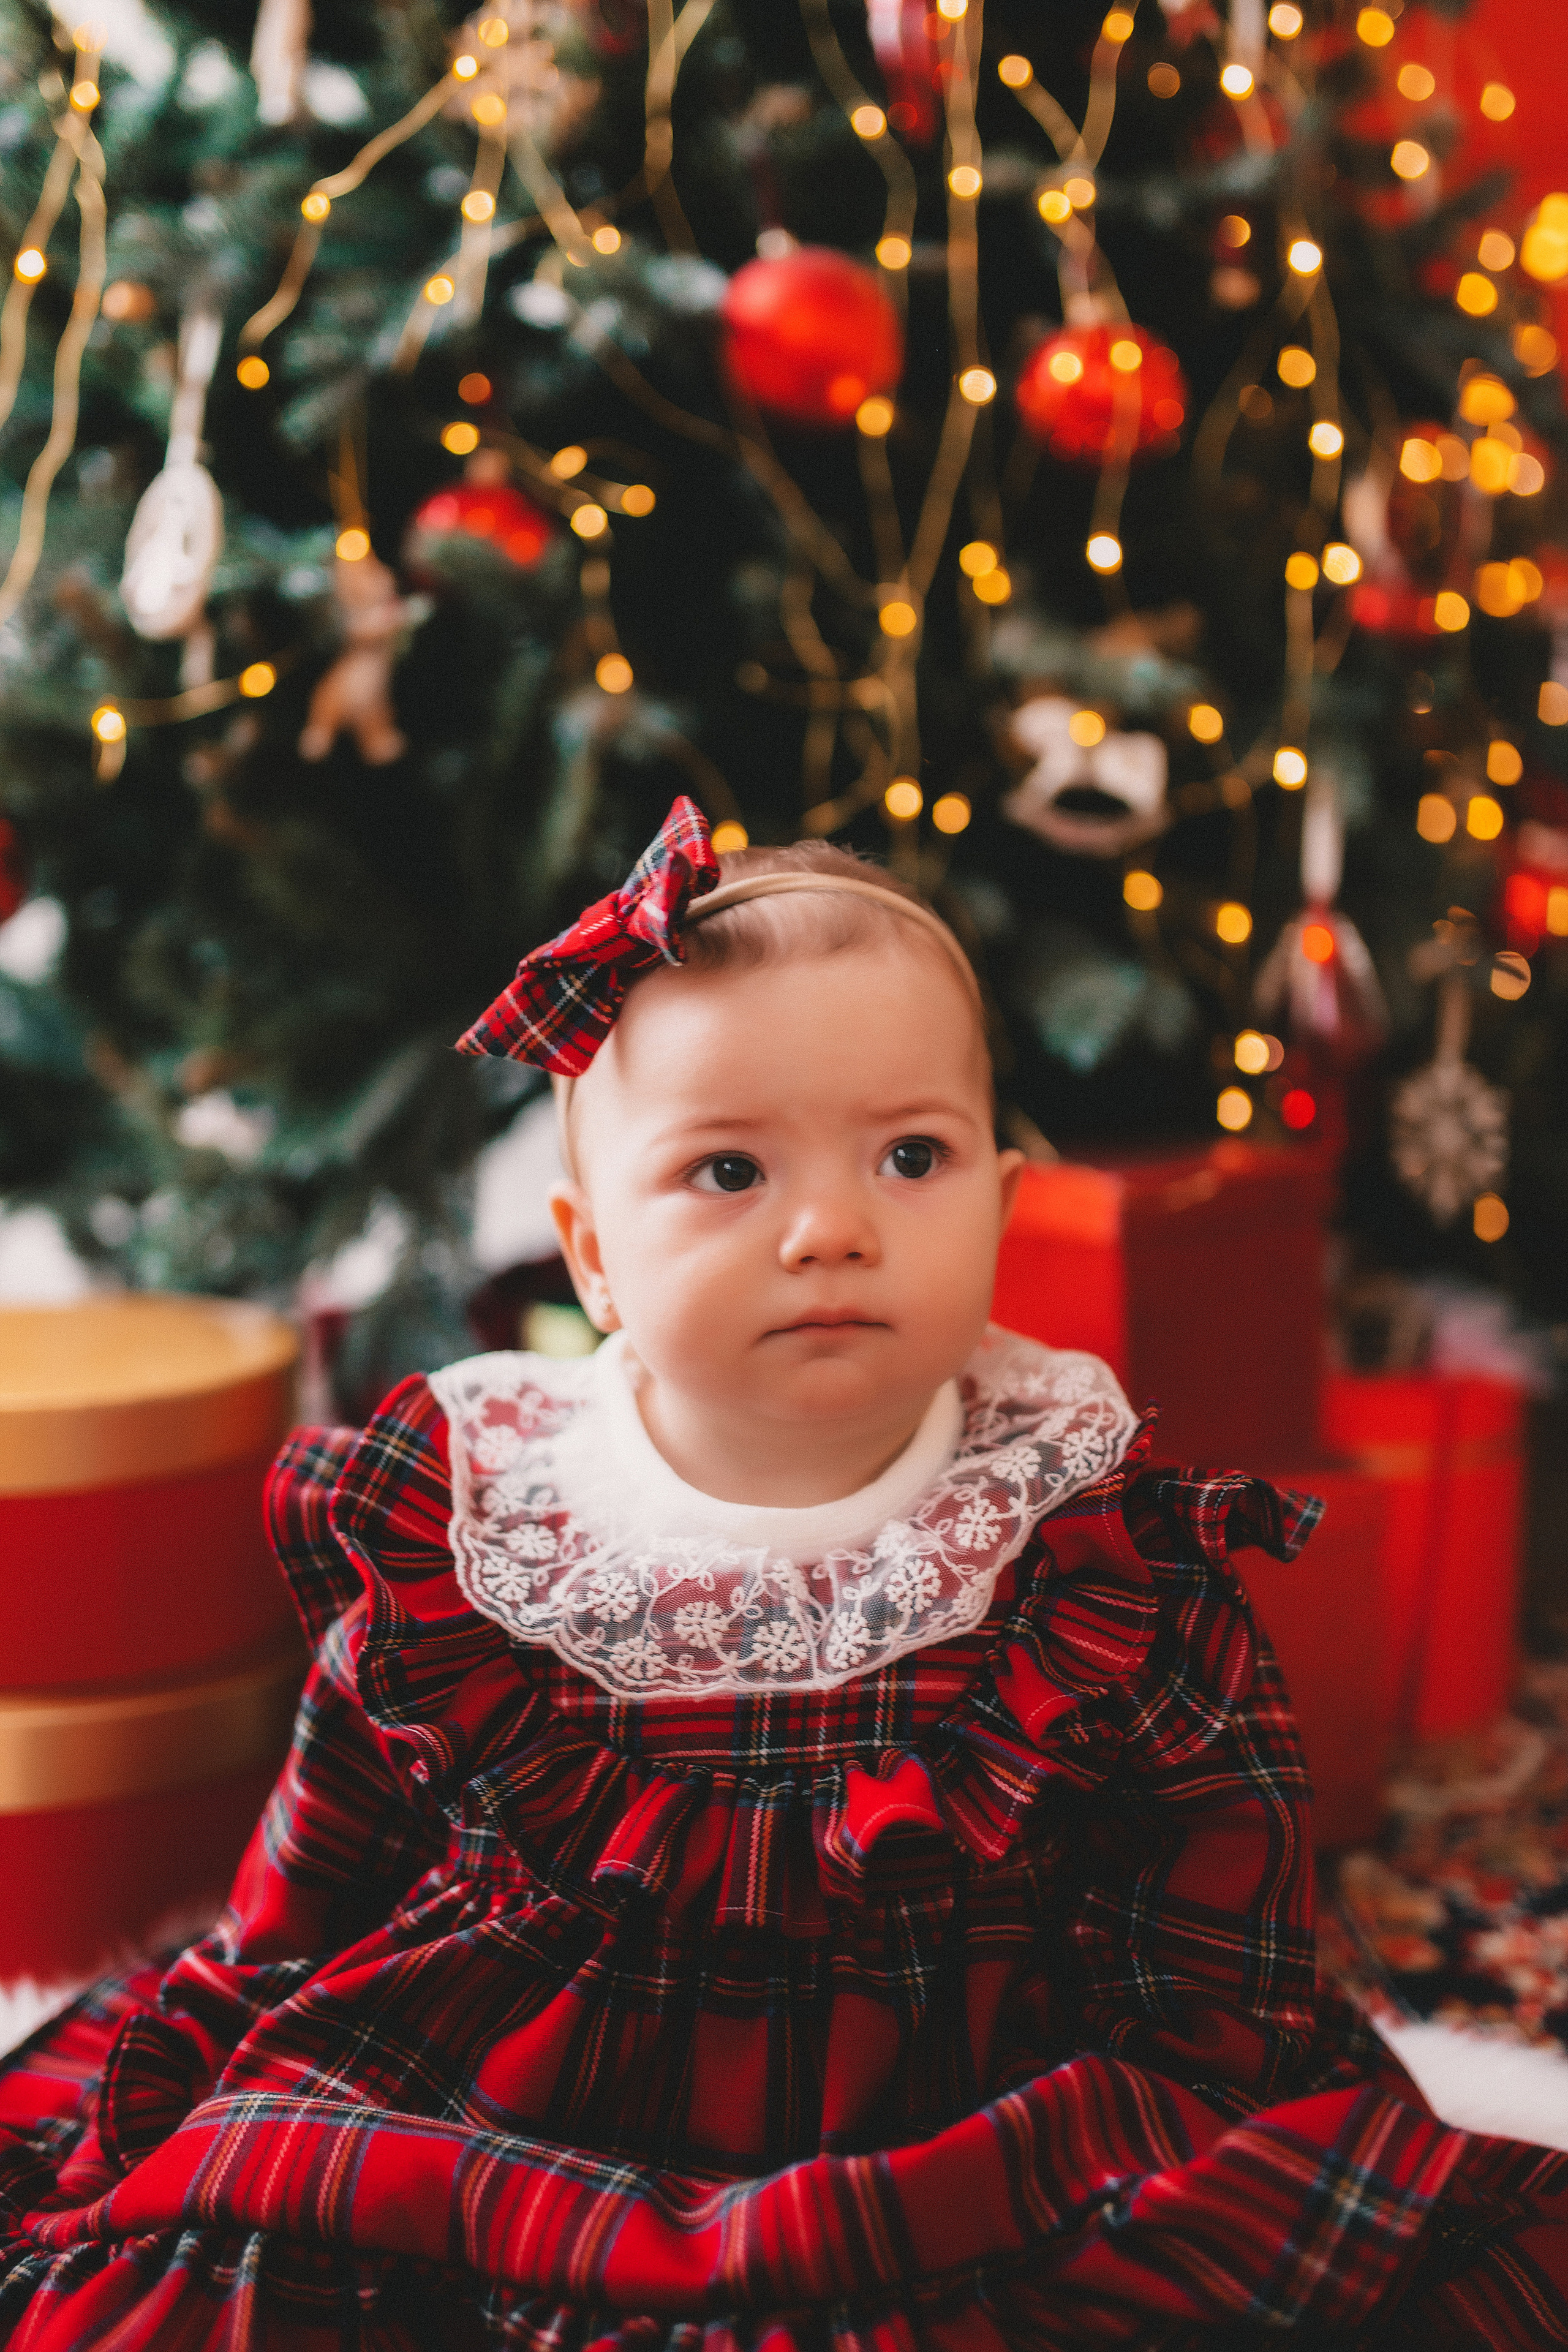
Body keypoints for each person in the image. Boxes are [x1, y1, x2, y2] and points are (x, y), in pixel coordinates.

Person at [1, 798, 1563, 2351]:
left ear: (1004, 1207)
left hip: (971, 2132)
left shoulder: (1086, 1558)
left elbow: (1225, 1938)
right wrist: (220, 2033)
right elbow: (318, 1870)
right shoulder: (492, 1539)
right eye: (730, 1173)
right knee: (257, 2233)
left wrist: (1187, 2115)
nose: (830, 1229)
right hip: (529, 2117)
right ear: (592, 1253)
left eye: (908, 1156)